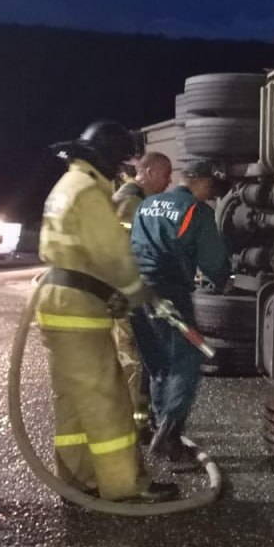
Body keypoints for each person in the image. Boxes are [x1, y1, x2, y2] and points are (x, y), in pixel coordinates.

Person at [38, 121, 179, 502]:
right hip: (77, 309)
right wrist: (137, 293)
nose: (119, 172)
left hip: (60, 301)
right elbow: (113, 253)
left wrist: (111, 293)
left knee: (72, 400)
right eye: (117, 164)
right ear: (103, 160)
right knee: (108, 400)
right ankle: (123, 485)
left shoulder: (67, 186)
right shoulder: (88, 192)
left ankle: (78, 479)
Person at [130, 158, 231, 470]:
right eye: (210, 188)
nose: (209, 194)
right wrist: (223, 280)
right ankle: (170, 438)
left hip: (136, 293)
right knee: (186, 363)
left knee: (158, 365)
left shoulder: (148, 204)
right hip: (169, 295)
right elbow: (213, 261)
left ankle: (160, 427)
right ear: (200, 182)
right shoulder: (197, 212)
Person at [110, 152, 173, 432]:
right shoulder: (130, 201)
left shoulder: (141, 202)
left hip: (134, 291)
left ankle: (140, 419)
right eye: (164, 174)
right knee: (132, 357)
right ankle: (131, 423)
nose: (168, 181)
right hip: (125, 292)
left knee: (143, 357)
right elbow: (129, 249)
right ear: (147, 171)